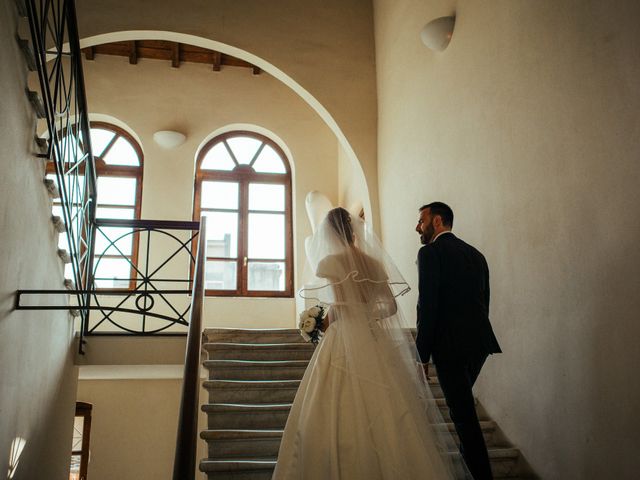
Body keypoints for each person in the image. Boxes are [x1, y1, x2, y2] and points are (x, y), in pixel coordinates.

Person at [273, 207, 470, 480]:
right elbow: (389, 307)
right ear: (352, 229)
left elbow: (338, 309)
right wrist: (366, 317)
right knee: (389, 408)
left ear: (330, 232)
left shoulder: (329, 263)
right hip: (371, 338)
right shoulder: (373, 264)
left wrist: (323, 323)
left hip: (341, 338)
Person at [415, 202, 502, 480]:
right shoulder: (476, 255)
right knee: (463, 411)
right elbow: (484, 302)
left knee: (464, 418)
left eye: (421, 221)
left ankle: (480, 475)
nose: (417, 226)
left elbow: (428, 305)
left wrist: (422, 355)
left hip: (449, 347)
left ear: (437, 222)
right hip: (479, 344)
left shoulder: (430, 253)